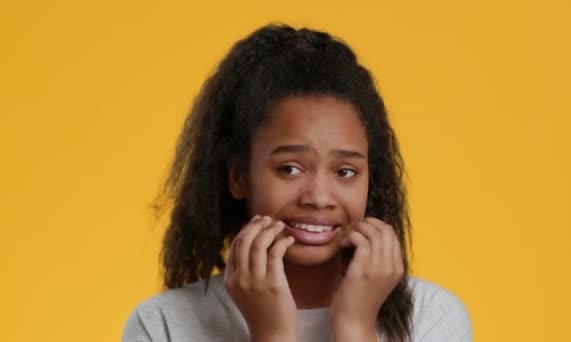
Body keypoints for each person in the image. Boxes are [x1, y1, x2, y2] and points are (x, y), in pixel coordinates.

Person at [122, 23, 472, 342]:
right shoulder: (162, 325)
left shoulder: (433, 318)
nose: (319, 198)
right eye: (290, 168)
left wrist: (355, 328)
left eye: (345, 172)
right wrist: (272, 333)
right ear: (239, 177)